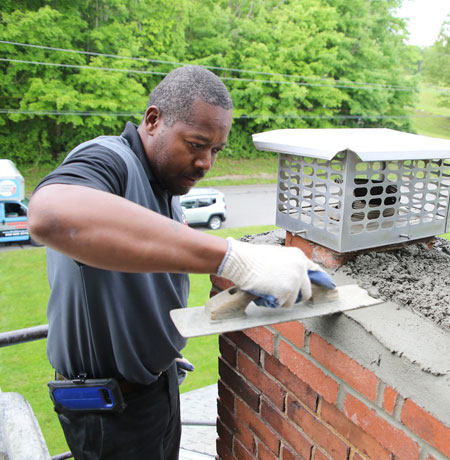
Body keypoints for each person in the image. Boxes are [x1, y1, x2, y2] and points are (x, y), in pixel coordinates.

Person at [28, 65, 324, 460]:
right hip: (110, 412)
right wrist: (234, 259)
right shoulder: (109, 159)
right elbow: (50, 214)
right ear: (152, 120)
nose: (206, 163)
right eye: (196, 144)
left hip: (156, 388)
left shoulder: (165, 183)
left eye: (216, 150)